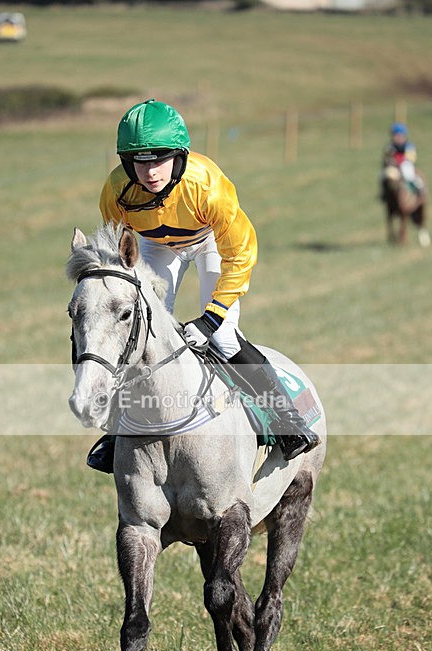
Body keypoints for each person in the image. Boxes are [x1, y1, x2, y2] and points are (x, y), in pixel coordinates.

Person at [88, 99, 320, 472]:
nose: (149, 172)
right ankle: (118, 434)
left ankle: (287, 420)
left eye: (160, 158)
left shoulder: (207, 187)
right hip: (157, 246)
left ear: (179, 156)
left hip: (209, 240)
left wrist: (211, 319)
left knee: (224, 336)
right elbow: (123, 252)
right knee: (139, 332)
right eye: (139, 161)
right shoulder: (116, 190)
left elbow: (240, 256)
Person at [380, 122, 425, 198]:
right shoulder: (390, 147)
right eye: (395, 135)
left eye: (398, 135)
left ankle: (418, 189)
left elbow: (411, 158)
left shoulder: (409, 146)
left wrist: (401, 162)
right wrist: (389, 161)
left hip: (405, 164)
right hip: (394, 166)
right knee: (384, 176)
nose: (396, 138)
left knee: (407, 174)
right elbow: (386, 158)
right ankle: (385, 193)